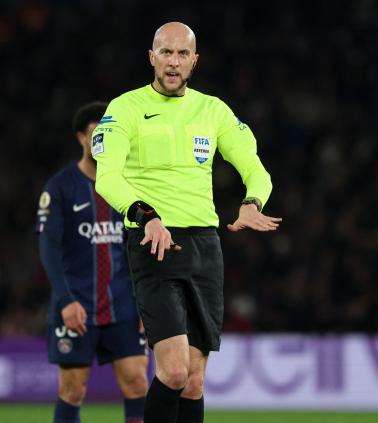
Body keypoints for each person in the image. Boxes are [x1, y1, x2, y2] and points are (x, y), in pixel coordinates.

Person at [92, 22, 282, 423]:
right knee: (174, 371)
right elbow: (107, 177)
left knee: (194, 381)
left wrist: (252, 202)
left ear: (194, 60)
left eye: (182, 54)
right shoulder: (124, 108)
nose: (173, 62)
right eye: (166, 53)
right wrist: (146, 215)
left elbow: (255, 169)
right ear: (152, 57)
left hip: (204, 248)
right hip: (152, 243)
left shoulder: (213, 110)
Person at [36, 102, 149, 423]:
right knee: (73, 390)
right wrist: (66, 301)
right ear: (81, 138)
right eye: (97, 133)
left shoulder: (128, 188)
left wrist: (144, 303)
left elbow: (139, 248)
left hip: (123, 307)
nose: (104, 141)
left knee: (138, 383)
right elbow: (48, 247)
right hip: (77, 307)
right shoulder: (61, 187)